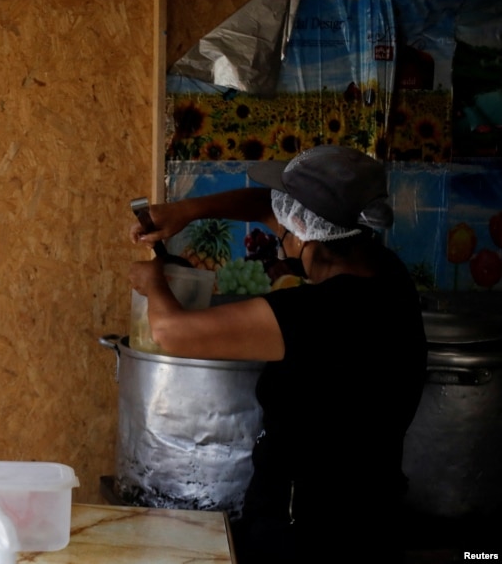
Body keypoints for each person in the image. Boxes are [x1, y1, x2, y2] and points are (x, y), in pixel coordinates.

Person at [127, 145, 427, 564]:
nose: (275, 230)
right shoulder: (388, 275)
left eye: (283, 226)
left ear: (302, 230)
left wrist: (153, 282)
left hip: (306, 534)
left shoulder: (317, 315)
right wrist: (186, 210)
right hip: (374, 515)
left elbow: (170, 332)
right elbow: (264, 205)